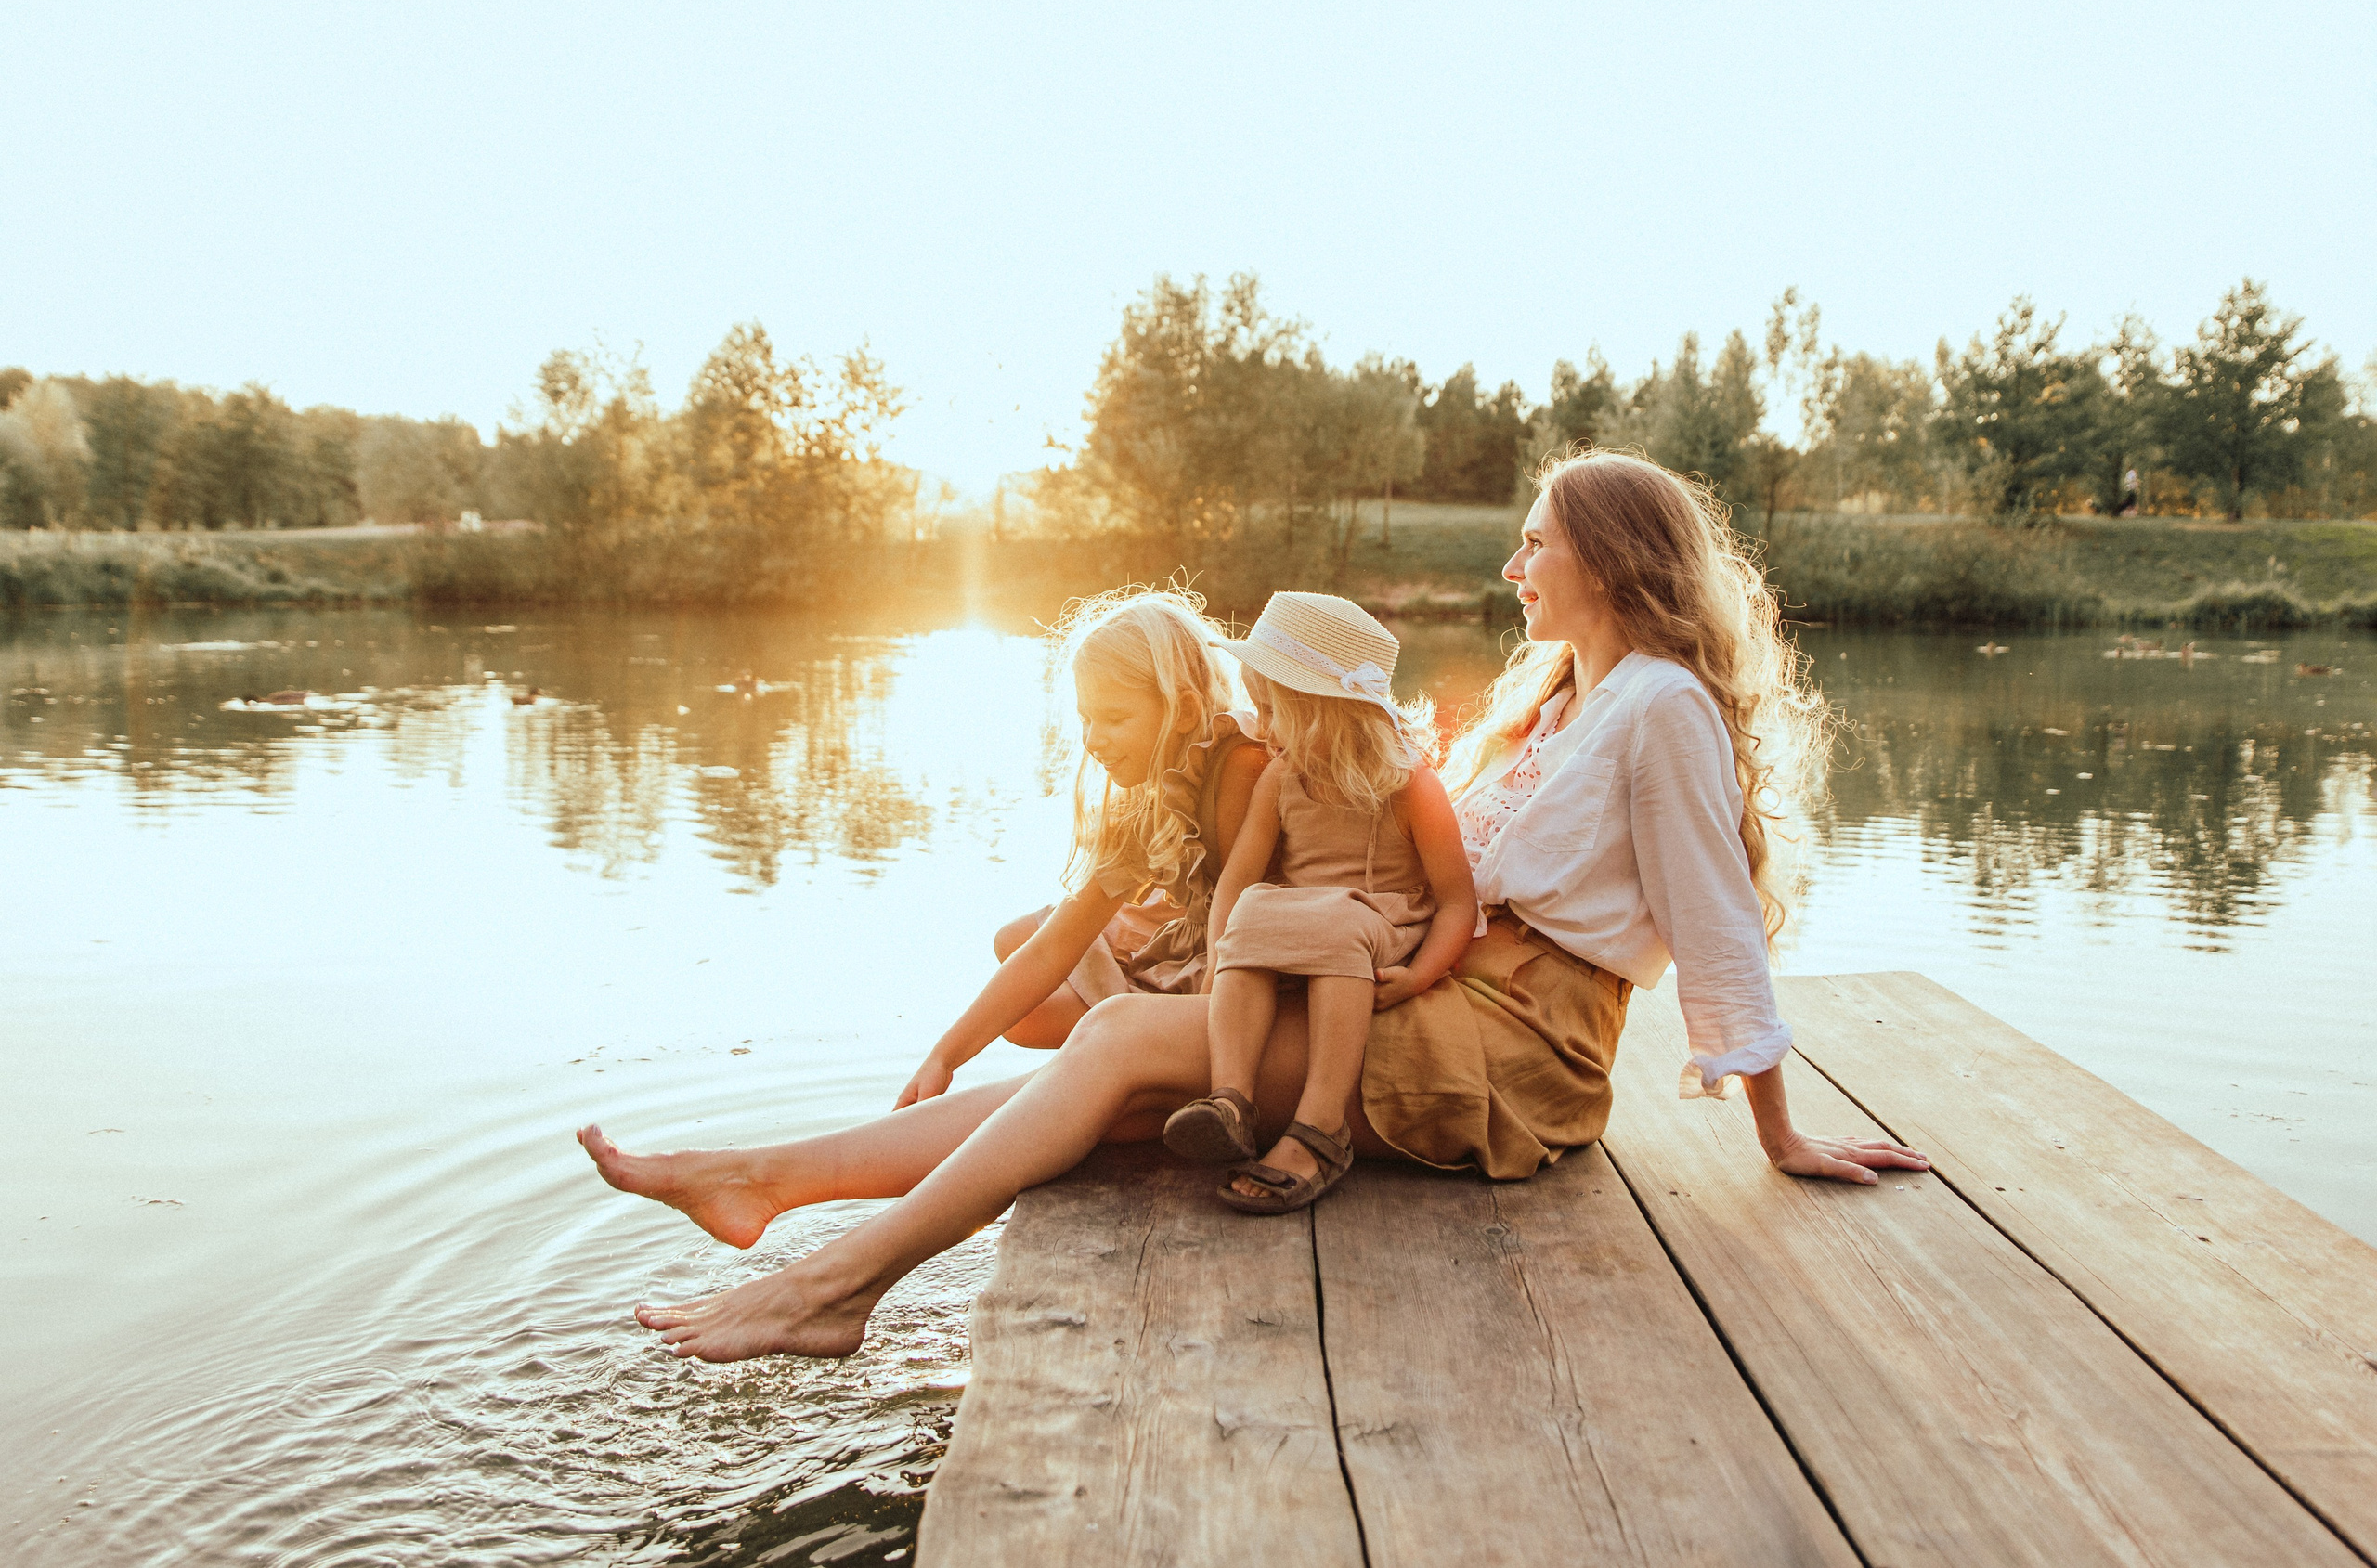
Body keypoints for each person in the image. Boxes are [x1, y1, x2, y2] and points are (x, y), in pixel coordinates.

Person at [580, 451, 1928, 1363]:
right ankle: (769, 1182)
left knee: (1115, 1047)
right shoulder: (1557, 697)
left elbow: (1716, 925)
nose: (1514, 567)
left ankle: (831, 1286)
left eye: (1536, 544)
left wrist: (1780, 1129)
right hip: (1438, 999)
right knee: (1115, 1079)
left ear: (1608, 559)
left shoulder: (1665, 707)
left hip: (1521, 1055)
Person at [888, 586, 1267, 1107]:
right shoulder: (1151, 789)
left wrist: (1179, 1050)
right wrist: (943, 1057)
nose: (1092, 739)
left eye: (1113, 719)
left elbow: (1240, 938)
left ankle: (1127, 1073)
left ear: (1181, 711)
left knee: (1053, 1021)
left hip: (1249, 976)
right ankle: (1116, 1054)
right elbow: (1053, 944)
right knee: (1020, 955)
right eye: (1086, 718)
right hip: (1203, 950)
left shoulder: (1236, 770)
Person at [1163, 593, 1476, 1212]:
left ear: (1324, 711)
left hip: (1382, 917)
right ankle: (1230, 1098)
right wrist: (1217, 960)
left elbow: (1457, 903)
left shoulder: (1410, 785)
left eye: (1273, 711)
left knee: (1337, 923)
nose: (1263, 729)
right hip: (1305, 916)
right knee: (1254, 909)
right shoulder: (1283, 777)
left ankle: (1322, 1123)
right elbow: (1239, 877)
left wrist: (1418, 977)